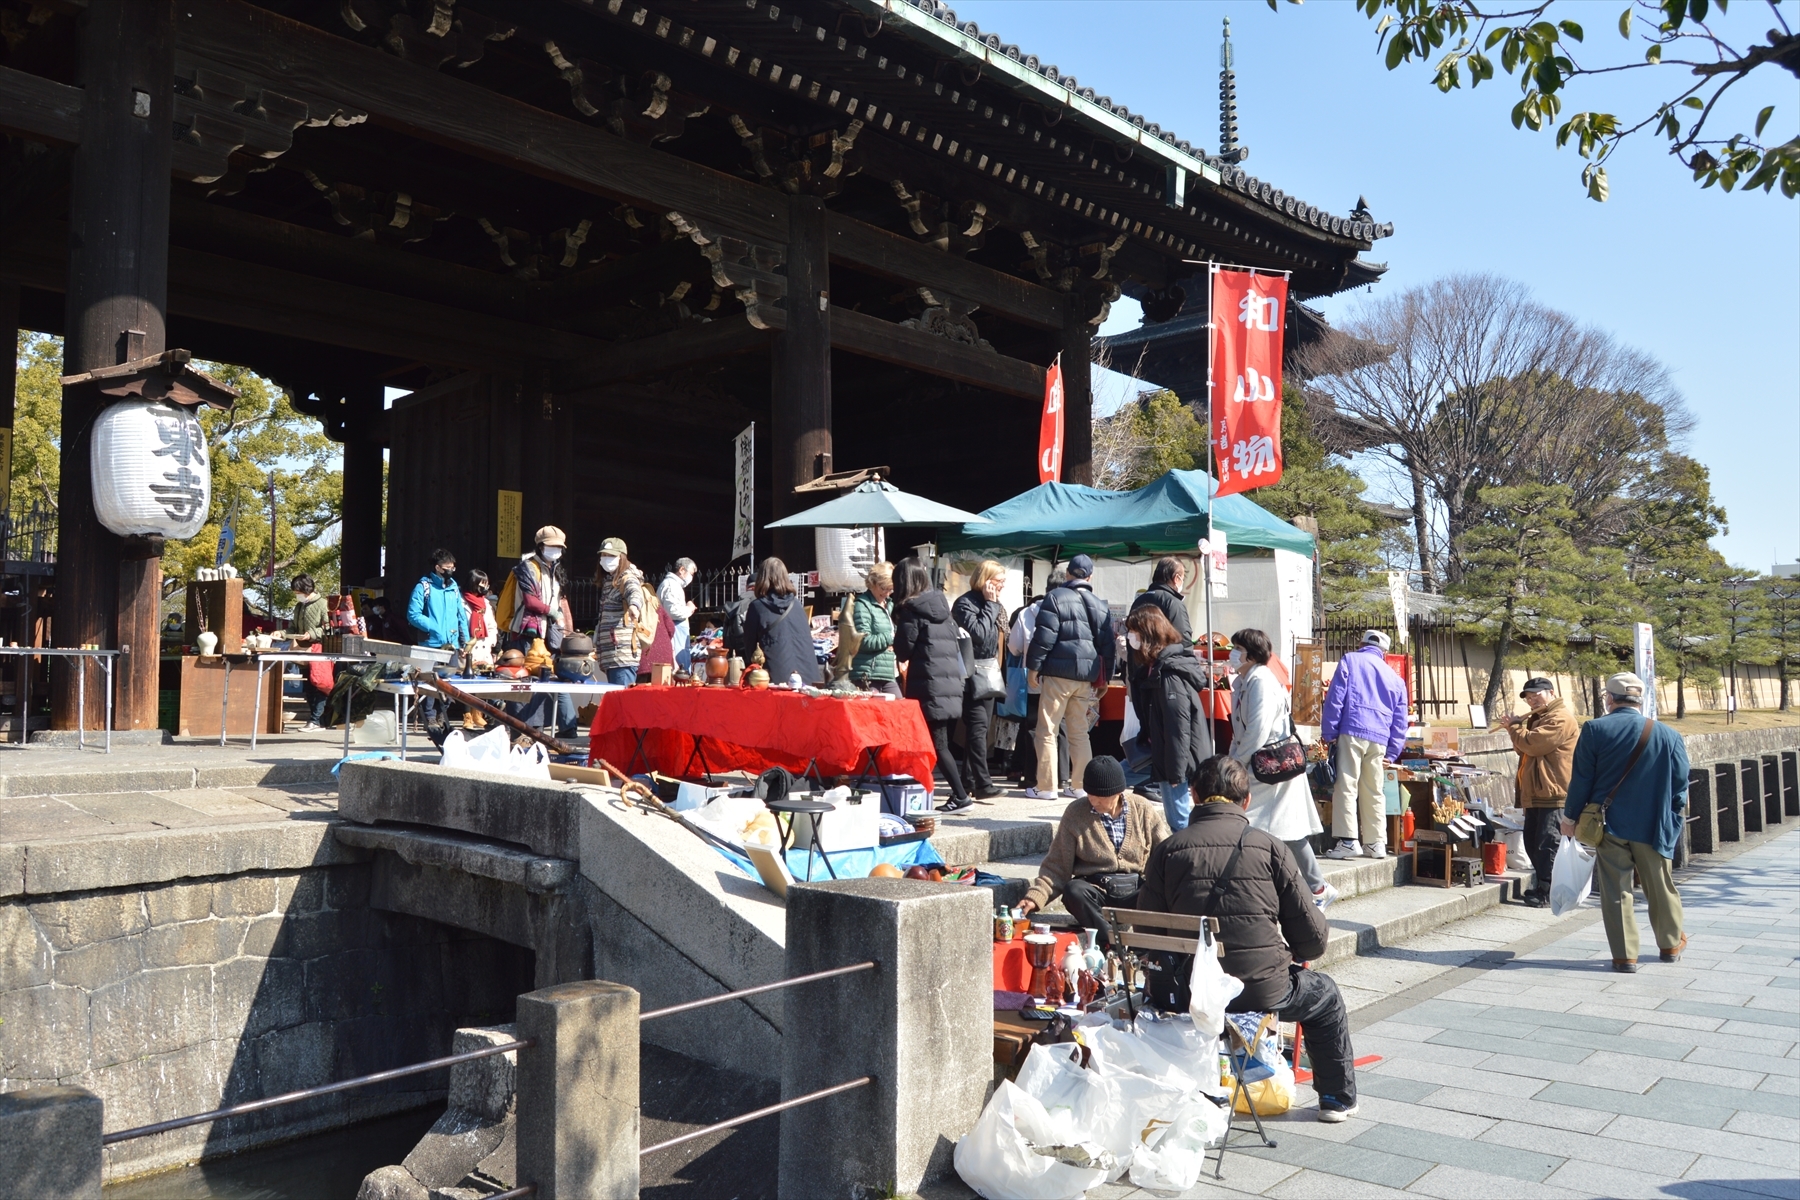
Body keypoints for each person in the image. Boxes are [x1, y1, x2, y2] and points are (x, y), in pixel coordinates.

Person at [1139, 755, 1358, 1122]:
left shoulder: (1168, 850)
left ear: (1194, 796)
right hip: (1258, 989)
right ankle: (1336, 1099)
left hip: (1184, 991)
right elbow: (1312, 942)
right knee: (1325, 996)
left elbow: (1147, 936)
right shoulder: (1270, 847)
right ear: (1246, 801)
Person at [1562, 672, 1690, 972]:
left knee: (1616, 889)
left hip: (1609, 823)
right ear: (1639, 700)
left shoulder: (1594, 729)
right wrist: (1673, 816)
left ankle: (1624, 955)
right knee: (1660, 885)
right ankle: (1670, 944)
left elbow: (1581, 779)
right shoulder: (1668, 735)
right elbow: (1681, 782)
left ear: (1609, 698)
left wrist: (1570, 817)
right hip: (1655, 825)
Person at [1016, 756, 1170, 947]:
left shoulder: (1142, 808)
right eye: (1090, 794)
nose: (1093, 800)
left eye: (1100, 796)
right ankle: (1111, 942)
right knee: (1073, 891)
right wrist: (1035, 897)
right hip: (1096, 892)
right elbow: (1057, 865)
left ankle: (1147, 948)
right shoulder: (1075, 812)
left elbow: (1166, 853)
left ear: (1118, 793)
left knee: (1160, 891)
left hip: (1135, 892)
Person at [1229, 628, 1333, 908]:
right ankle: (1313, 887)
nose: (1233, 653)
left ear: (1251, 655)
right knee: (1281, 830)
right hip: (1263, 765)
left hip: (1271, 766)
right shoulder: (1245, 680)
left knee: (1282, 829)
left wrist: (1237, 762)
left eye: (1237, 649)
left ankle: (1318, 888)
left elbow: (1257, 730)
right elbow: (1242, 730)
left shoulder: (1261, 681)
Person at [1025, 554, 1116, 801]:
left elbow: (1044, 636)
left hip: (1058, 673)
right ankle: (1080, 786)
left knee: (1047, 730)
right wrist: (1106, 678)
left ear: (1067, 574)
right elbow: (1108, 646)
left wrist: (1033, 667)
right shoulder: (1100, 605)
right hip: (1086, 676)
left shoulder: (1055, 597)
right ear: (1090, 577)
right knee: (1079, 732)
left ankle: (1046, 787)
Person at [1320, 629, 1409, 860]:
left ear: (1361, 644)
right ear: (1385, 652)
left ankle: (1348, 841)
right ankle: (1376, 843)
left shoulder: (1350, 660)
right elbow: (1401, 720)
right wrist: (1393, 750)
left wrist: (1329, 731)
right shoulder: (1396, 679)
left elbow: (1335, 697)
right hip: (1380, 738)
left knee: (1346, 785)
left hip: (1352, 729)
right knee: (1374, 790)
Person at [892, 557, 972, 812]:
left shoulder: (911, 611)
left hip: (928, 687)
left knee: (938, 744)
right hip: (947, 686)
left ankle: (960, 797)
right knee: (934, 741)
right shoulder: (942, 608)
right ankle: (926, 791)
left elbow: (903, 651)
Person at [1125, 606, 1206, 832]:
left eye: (1134, 632)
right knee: (1111, 779)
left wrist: (1176, 772)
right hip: (1159, 750)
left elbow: (1178, 727)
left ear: (1147, 634)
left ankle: (1186, 852)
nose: (1130, 637)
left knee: (1179, 821)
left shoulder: (1169, 674)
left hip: (1174, 755)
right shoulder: (1153, 667)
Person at [1501, 677, 1578, 908]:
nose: (1533, 700)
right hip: (1536, 790)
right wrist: (1517, 731)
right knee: (1533, 841)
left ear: (1551, 692)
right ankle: (1543, 887)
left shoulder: (1560, 717)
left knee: (1548, 843)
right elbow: (1522, 748)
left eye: (1537, 695)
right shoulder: (1538, 717)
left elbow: (1533, 744)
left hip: (1553, 791)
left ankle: (1549, 891)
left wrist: (1515, 728)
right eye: (1529, 697)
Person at [1128, 558, 1192, 764]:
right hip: (1165, 678)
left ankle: (1154, 772)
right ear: (1176, 577)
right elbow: (1183, 644)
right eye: (1182, 577)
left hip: (1140, 675)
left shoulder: (1139, 601)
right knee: (1168, 734)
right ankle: (1162, 775)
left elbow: (1132, 644)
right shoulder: (1173, 603)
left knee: (1150, 730)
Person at [952, 560, 1007, 800]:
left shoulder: (990, 604)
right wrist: (991, 605)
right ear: (986, 580)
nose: (1002, 586)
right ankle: (983, 784)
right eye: (999, 581)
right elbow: (980, 635)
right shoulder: (965, 603)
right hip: (970, 674)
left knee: (980, 729)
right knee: (977, 728)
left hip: (988, 672)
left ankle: (969, 780)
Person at [406, 549, 470, 729]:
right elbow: (413, 614)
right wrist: (435, 628)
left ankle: (443, 714)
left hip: (452, 645)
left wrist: (465, 641)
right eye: (447, 567)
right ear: (437, 567)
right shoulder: (423, 586)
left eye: (453, 567)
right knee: (430, 684)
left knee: (449, 683)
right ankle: (429, 717)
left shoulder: (454, 588)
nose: (451, 570)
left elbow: (461, 616)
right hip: (430, 644)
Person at [741, 556, 821, 686]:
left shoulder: (757, 607)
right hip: (809, 678)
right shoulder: (797, 605)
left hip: (777, 678)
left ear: (762, 578)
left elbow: (750, 648)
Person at [594, 537, 647, 688]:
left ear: (621, 557)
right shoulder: (610, 580)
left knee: (622, 698)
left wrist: (634, 606)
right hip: (612, 655)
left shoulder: (627, 577)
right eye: (603, 555)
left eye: (611, 555)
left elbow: (634, 592)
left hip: (622, 655)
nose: (606, 559)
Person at [848, 562, 899, 695]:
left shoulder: (890, 605)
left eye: (890, 589)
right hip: (867, 674)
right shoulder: (862, 605)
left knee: (899, 706)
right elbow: (863, 640)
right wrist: (891, 638)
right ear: (873, 583)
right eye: (884, 588)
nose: (887, 593)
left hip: (888, 673)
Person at [288, 574, 330, 731]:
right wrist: (282, 633)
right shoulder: (299, 606)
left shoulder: (323, 604)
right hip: (304, 651)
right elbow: (293, 628)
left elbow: (328, 628)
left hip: (319, 650)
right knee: (308, 687)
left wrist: (311, 634)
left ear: (306, 589)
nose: (296, 595)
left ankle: (316, 720)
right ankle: (316, 720)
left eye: (298, 591)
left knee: (319, 683)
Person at [659, 558, 699, 671]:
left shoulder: (674, 585)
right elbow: (672, 612)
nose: (691, 577)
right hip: (674, 631)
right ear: (682, 570)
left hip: (678, 631)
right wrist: (689, 609)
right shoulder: (671, 585)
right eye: (691, 573)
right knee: (679, 670)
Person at [463, 569, 497, 670]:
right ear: (473, 583)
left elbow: (492, 626)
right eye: (483, 584)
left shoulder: (486, 603)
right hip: (468, 650)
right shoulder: (460, 601)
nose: (485, 587)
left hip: (484, 650)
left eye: (487, 584)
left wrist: (491, 642)